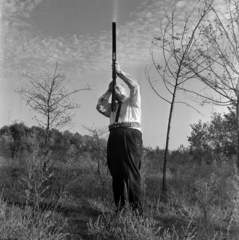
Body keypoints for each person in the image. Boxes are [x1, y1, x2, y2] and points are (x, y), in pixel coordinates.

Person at [96, 63, 143, 215]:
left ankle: (136, 212)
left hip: (130, 134)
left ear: (124, 90)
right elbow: (100, 106)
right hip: (114, 136)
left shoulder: (132, 102)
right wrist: (109, 91)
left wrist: (119, 73)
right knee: (116, 174)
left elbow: (134, 85)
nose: (116, 89)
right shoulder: (112, 108)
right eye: (115, 88)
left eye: (118, 88)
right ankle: (120, 209)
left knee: (131, 174)